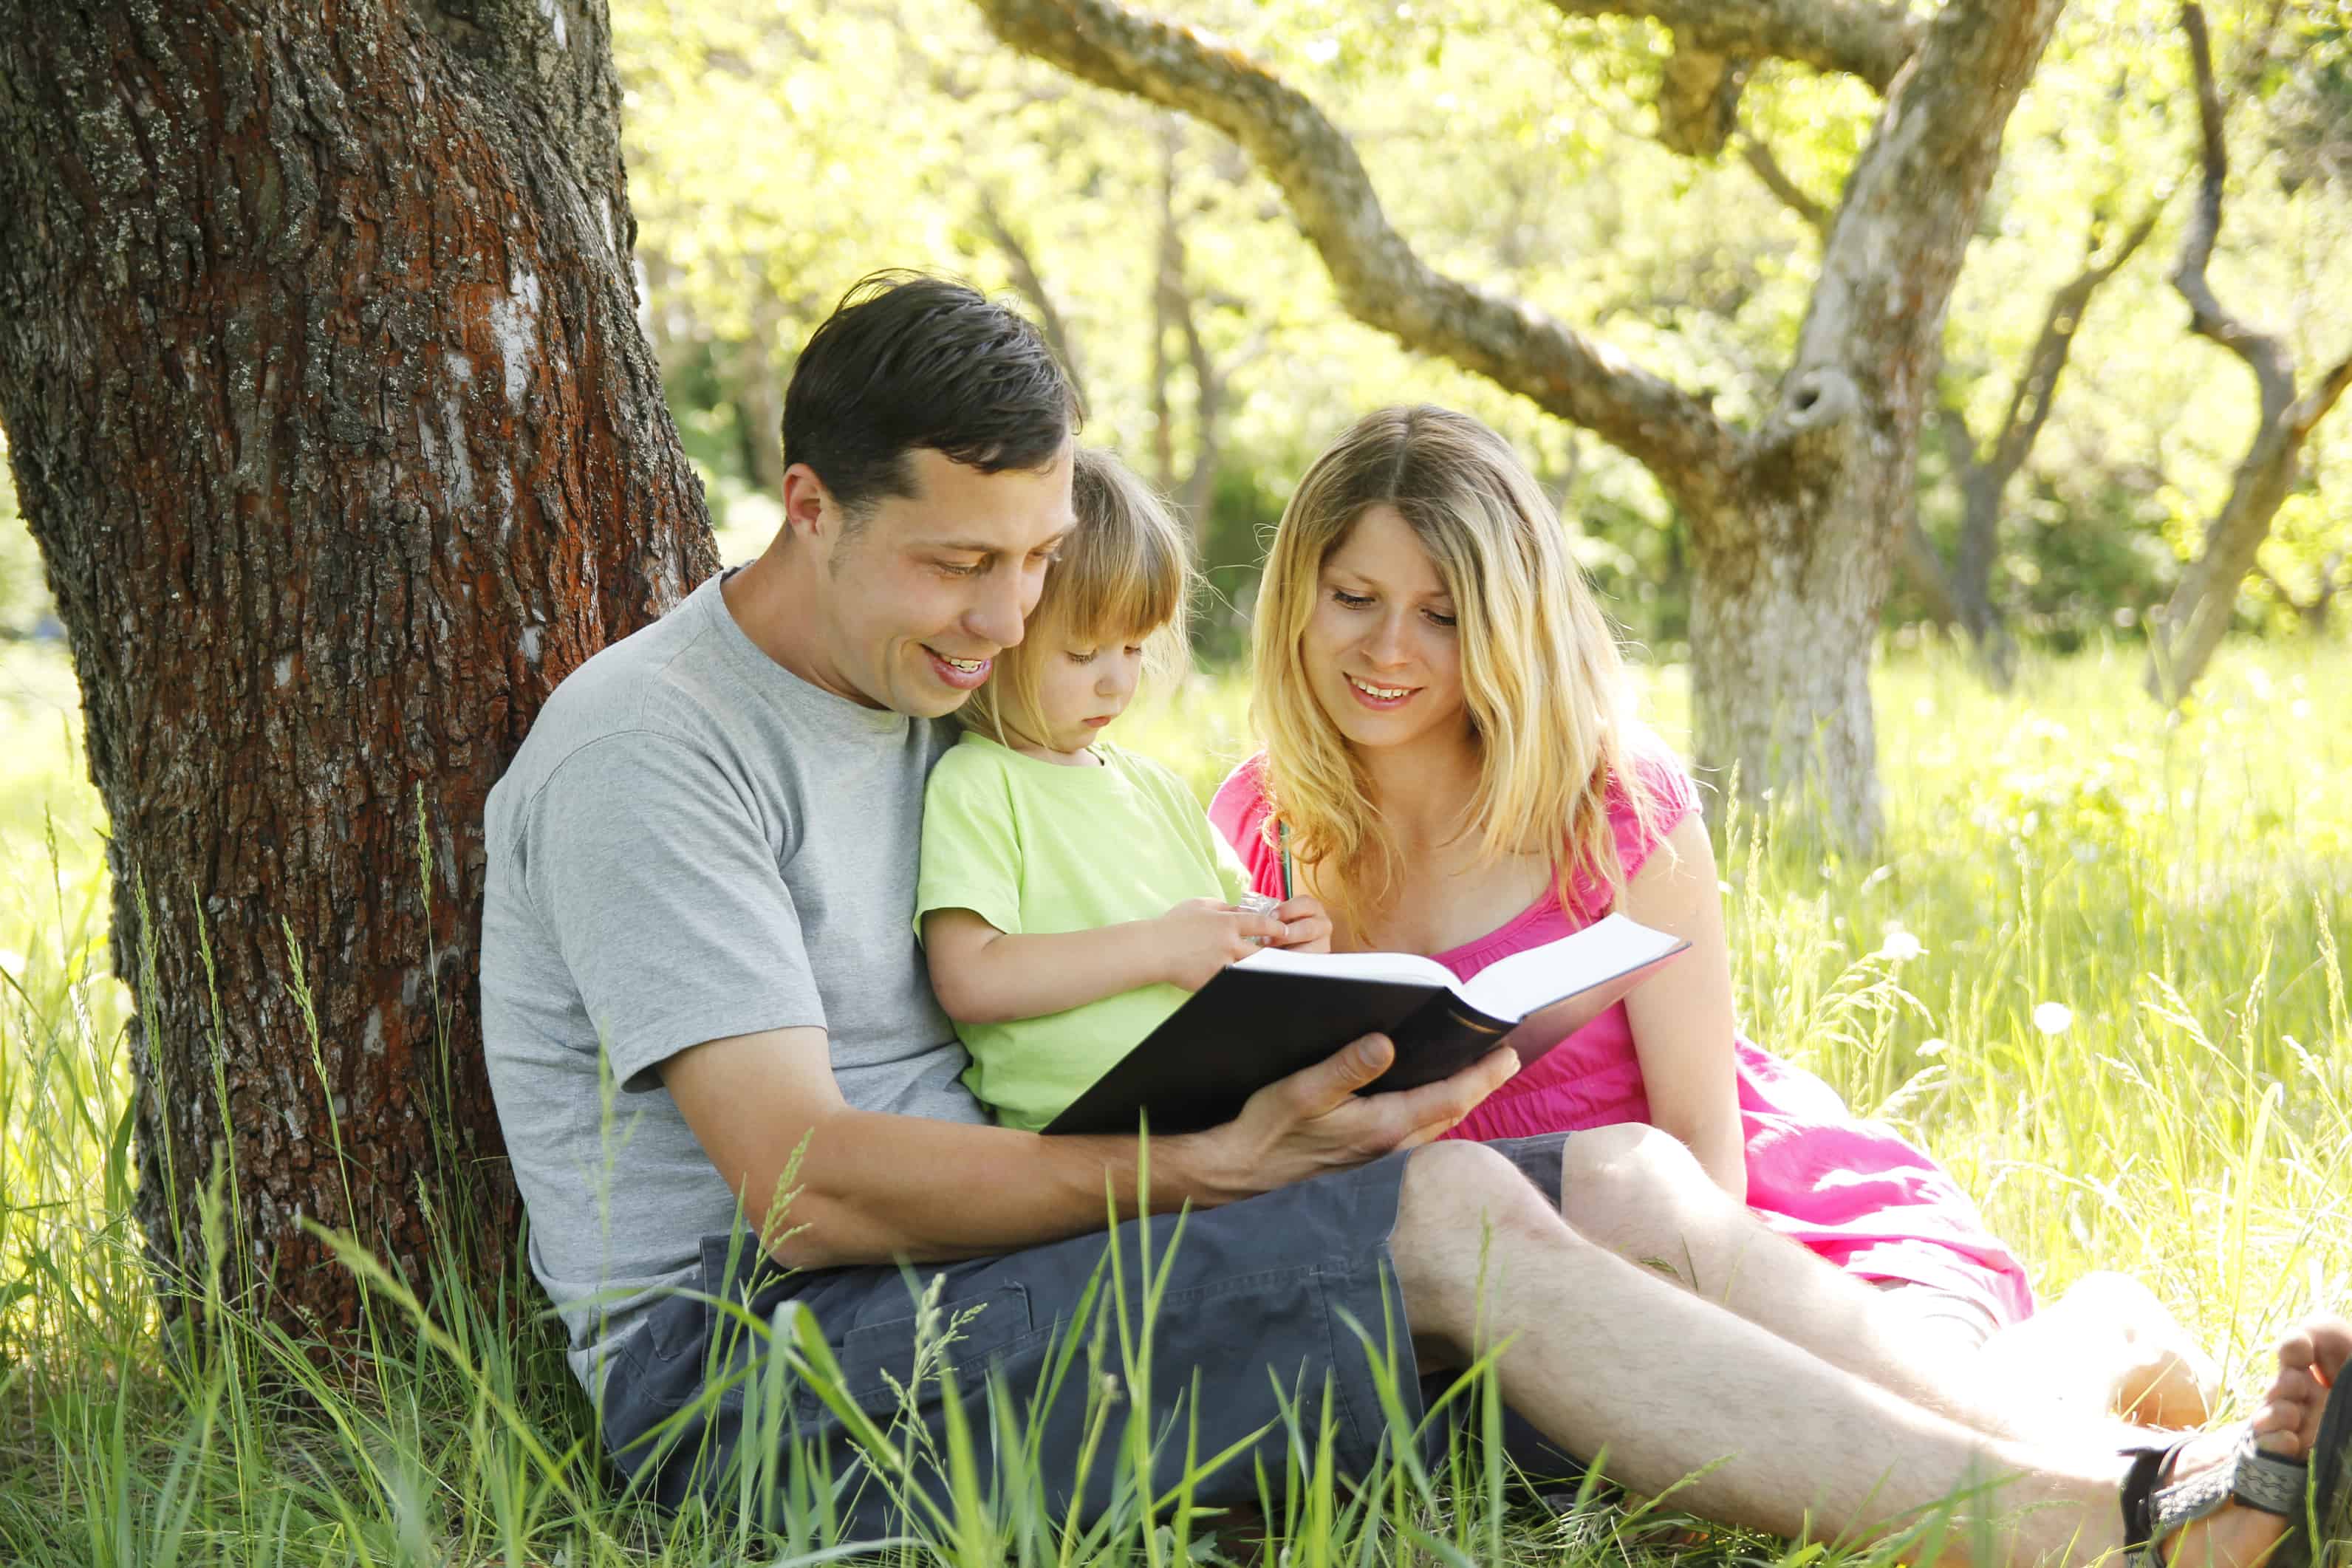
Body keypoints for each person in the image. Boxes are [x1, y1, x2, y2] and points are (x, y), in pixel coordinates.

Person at [477, 272, 2348, 1565]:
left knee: (1612, 1171)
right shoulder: (657, 748)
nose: (1000, 616)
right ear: (805, 507)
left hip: (1000, 1277)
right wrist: (1212, 1164)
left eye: (1033, 557)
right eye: (958, 563)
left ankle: (2129, 1471)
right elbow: (800, 1188)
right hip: (769, 1376)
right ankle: (2083, 1535)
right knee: (1444, 1213)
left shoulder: (939, 697)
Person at [1211, 403, 2219, 1429]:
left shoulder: (1611, 803)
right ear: (1300, 594)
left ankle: (2106, 1331)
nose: (1389, 646)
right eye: (1355, 596)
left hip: (1757, 1246)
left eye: (1443, 613)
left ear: (1507, 622)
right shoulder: (1257, 826)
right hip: (1485, 1287)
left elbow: (1705, 1150)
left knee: (1924, 1451)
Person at [916, 445, 1331, 1132]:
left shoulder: (1157, 789)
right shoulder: (980, 782)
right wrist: (1159, 949)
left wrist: (1286, 942)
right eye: (1082, 654)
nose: (1117, 682)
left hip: (1219, 1116)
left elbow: (1230, 933)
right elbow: (971, 976)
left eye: (1134, 648)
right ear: (1003, 629)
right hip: (1088, 1146)